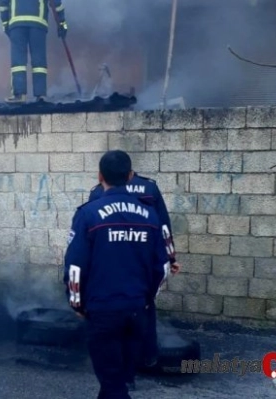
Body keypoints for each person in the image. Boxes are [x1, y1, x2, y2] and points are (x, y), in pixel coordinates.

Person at [63, 150, 171, 399]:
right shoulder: (150, 214)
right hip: (137, 310)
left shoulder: (88, 213)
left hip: (103, 312)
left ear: (100, 176)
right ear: (130, 176)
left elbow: (75, 267)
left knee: (113, 383)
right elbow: (162, 267)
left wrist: (77, 304)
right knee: (118, 379)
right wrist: (145, 299)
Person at [88, 169, 181, 377]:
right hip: (141, 261)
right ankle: (147, 357)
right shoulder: (149, 188)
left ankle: (115, 363)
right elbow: (163, 228)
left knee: (110, 310)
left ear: (102, 175)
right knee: (144, 306)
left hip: (108, 262)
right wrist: (170, 258)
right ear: (130, 173)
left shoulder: (97, 192)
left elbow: (88, 232)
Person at [0, 0, 68, 103]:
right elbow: (56, 2)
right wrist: (62, 23)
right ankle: (41, 95)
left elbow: (3, 3)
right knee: (39, 61)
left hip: (16, 22)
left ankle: (19, 94)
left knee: (18, 61)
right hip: (38, 22)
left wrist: (5, 23)